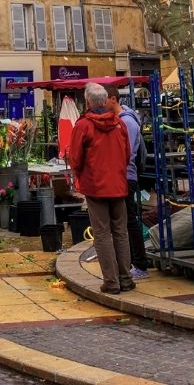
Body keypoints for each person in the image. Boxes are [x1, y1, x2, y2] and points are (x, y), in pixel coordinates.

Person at [66, 83, 133, 294]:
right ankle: (126, 278)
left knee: (102, 234)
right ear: (105, 101)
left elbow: (75, 158)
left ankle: (111, 282)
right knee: (121, 232)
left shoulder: (84, 125)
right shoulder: (119, 124)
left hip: (95, 186)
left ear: (87, 102)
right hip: (118, 185)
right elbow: (127, 154)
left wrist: (80, 175)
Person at [110, 91, 151, 278]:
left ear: (112, 99)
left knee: (130, 220)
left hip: (126, 176)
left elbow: (126, 154)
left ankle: (140, 264)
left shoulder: (126, 122)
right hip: (123, 175)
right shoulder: (124, 119)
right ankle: (133, 262)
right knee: (126, 220)